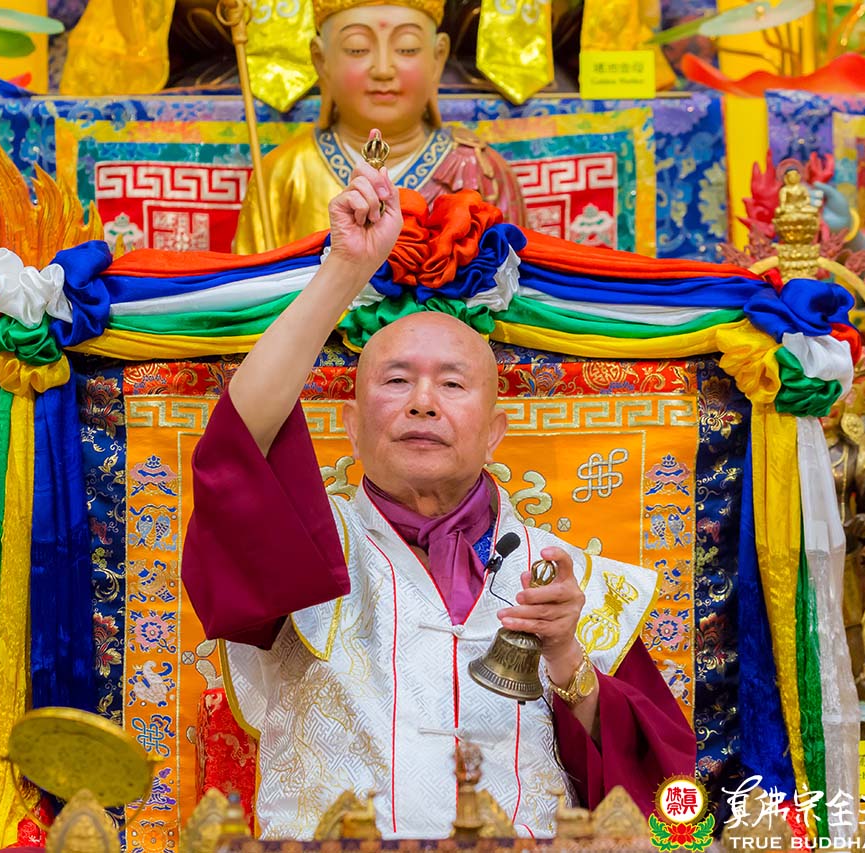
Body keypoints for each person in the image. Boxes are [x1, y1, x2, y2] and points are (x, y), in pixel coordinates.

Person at [183, 163, 694, 839]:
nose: (423, 401)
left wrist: (568, 660)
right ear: (351, 425)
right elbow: (239, 447)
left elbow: (667, 798)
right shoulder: (306, 547)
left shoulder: (567, 581)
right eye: (396, 381)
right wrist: (345, 271)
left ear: (495, 430)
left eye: (452, 384)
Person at [231, 0, 525, 254]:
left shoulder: (481, 172)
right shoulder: (283, 172)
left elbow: (517, 287)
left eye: (407, 48)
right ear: (321, 60)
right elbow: (252, 295)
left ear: (438, 58)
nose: (383, 70)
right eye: (357, 49)